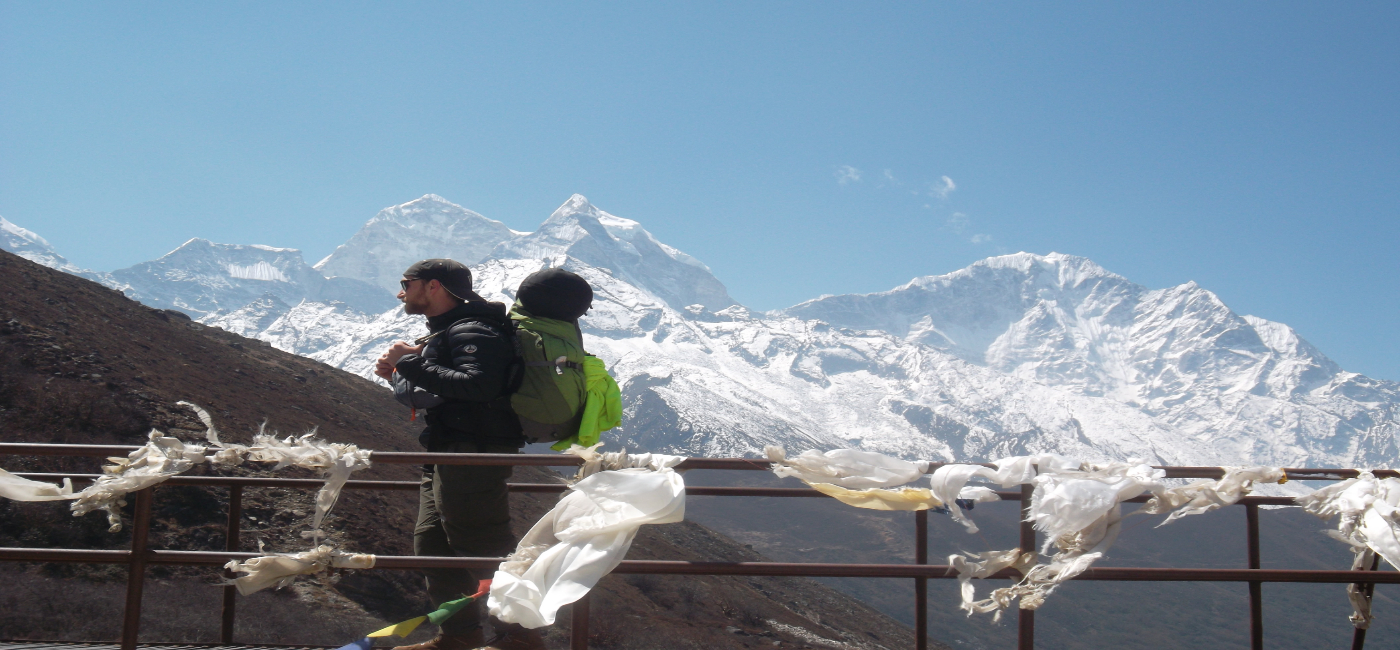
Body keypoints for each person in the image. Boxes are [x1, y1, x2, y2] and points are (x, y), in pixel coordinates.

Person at [374, 259, 544, 650]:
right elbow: (448, 394)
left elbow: (478, 387)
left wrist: (408, 361)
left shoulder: (473, 329)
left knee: (482, 545)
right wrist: (403, 374)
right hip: (448, 452)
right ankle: (459, 637)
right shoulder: (451, 330)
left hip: (473, 453)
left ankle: (520, 636)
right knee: (433, 547)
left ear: (433, 286)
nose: (401, 292)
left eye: (406, 283)